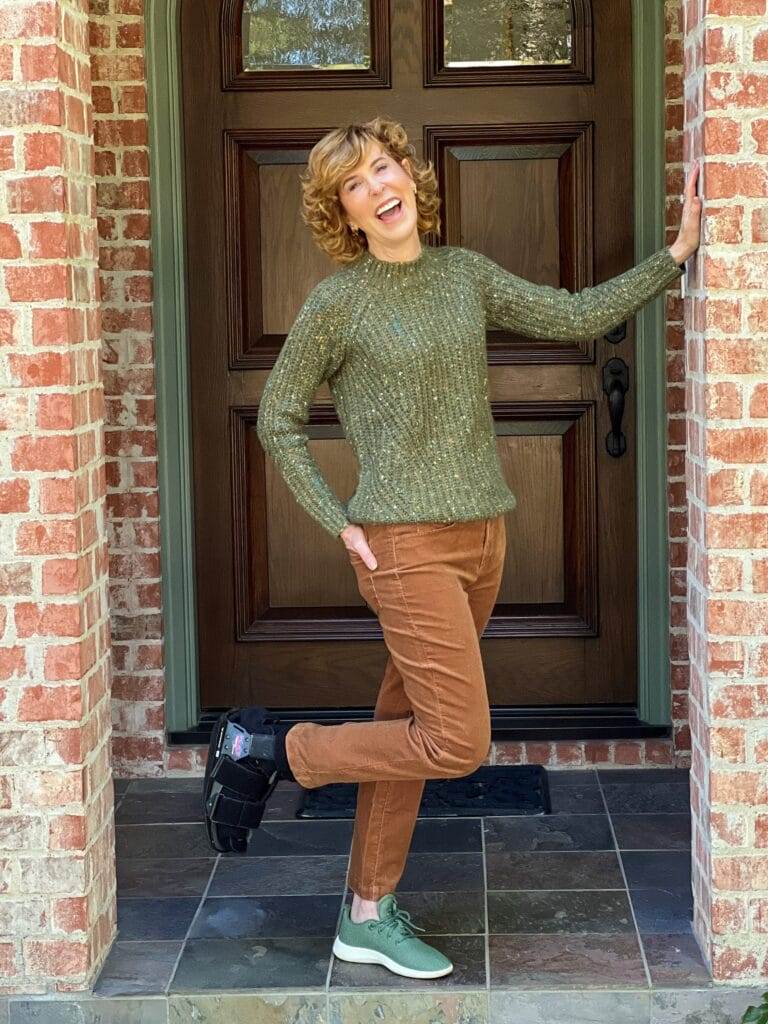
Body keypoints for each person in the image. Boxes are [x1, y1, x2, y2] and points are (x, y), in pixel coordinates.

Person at [203, 116, 702, 980]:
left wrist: (676, 255)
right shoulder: (337, 303)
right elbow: (279, 419)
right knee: (456, 742)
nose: (379, 188)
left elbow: (573, 314)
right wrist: (339, 519)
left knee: (407, 725)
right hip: (401, 547)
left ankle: (365, 912)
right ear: (343, 212)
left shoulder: (462, 275)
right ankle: (275, 751)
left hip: (482, 537)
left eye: (385, 168)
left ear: (411, 177)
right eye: (355, 183)